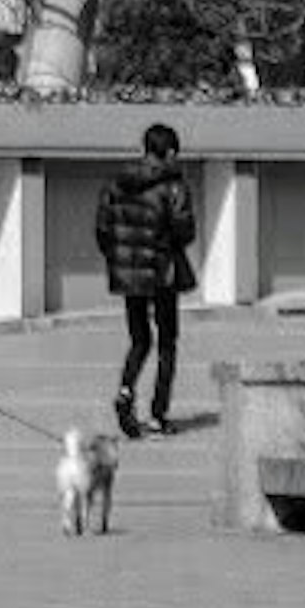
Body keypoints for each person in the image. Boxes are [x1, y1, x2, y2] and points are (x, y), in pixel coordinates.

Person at [94, 123, 201, 437]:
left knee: (139, 339)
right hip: (162, 271)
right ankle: (158, 414)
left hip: (130, 274)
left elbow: (102, 229)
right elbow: (185, 231)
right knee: (167, 341)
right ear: (169, 153)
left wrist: (120, 258)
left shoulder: (117, 183)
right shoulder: (174, 187)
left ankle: (126, 391)